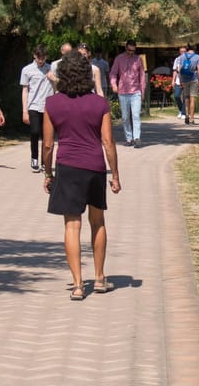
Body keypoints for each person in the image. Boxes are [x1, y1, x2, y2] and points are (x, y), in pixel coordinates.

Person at [41, 50, 120, 301]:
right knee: (97, 222)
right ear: (87, 74)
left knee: (72, 225)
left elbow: (47, 146)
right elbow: (108, 142)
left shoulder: (53, 104)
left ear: (62, 75)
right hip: (95, 167)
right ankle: (99, 278)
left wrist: (48, 172)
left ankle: (77, 285)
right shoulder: (100, 103)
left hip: (68, 167)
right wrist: (115, 174)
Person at [20, 44, 54, 171]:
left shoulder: (51, 69)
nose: (41, 60)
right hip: (33, 105)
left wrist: (54, 78)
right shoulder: (27, 70)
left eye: (43, 57)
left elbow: (60, 84)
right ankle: (34, 158)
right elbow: (25, 90)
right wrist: (24, 111)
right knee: (35, 132)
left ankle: (45, 161)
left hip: (48, 106)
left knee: (47, 135)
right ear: (34, 55)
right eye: (39, 57)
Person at [109, 39, 145, 147]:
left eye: (133, 51)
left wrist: (143, 91)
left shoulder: (138, 59)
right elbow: (113, 73)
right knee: (125, 117)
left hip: (135, 91)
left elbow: (142, 75)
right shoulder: (119, 59)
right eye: (129, 50)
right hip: (123, 91)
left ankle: (137, 137)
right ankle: (129, 138)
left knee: (135, 115)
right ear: (126, 48)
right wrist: (114, 85)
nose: (131, 52)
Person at [177, 44, 199, 124]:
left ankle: (186, 115)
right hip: (194, 80)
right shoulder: (198, 57)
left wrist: (180, 81)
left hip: (184, 80)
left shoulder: (182, 56)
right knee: (192, 99)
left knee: (186, 98)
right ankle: (192, 118)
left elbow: (179, 70)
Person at [171, 46, 187, 121]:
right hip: (178, 81)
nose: (183, 53)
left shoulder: (189, 59)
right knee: (176, 96)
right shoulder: (177, 59)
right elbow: (174, 70)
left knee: (185, 97)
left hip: (187, 80)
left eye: (184, 51)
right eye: (181, 51)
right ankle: (181, 110)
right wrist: (173, 80)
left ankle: (184, 113)